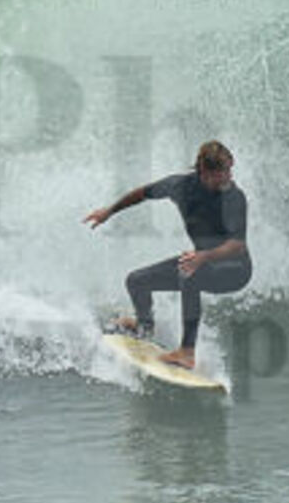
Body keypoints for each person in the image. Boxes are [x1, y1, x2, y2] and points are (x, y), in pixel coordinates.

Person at [82, 140, 251, 369]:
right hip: (201, 262)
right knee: (136, 281)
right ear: (204, 171)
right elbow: (142, 193)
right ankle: (144, 326)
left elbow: (237, 245)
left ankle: (187, 352)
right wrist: (109, 211)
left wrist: (202, 257)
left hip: (235, 270)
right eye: (223, 172)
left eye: (230, 170)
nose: (229, 177)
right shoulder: (179, 186)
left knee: (188, 274)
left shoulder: (234, 197)